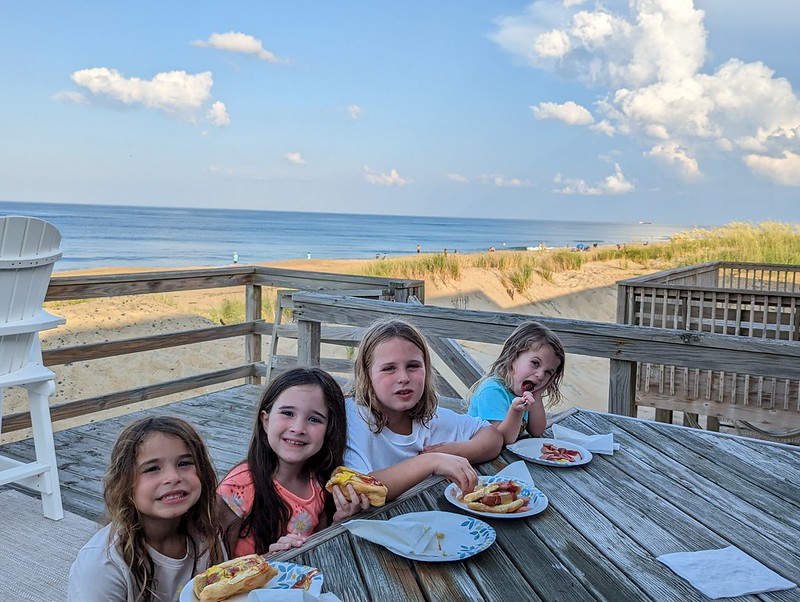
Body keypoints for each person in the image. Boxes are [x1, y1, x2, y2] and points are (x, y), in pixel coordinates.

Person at [68, 416, 224, 602]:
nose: (172, 477)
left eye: (184, 463)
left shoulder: (206, 534)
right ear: (124, 483)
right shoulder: (101, 565)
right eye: (152, 469)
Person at [216, 367, 368, 558]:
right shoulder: (237, 488)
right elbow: (215, 567)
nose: (298, 428)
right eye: (288, 413)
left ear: (329, 430)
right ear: (265, 420)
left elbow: (315, 546)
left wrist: (339, 520)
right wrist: (270, 560)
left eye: (314, 419)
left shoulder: (320, 483)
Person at [345, 318, 503, 500]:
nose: (403, 377)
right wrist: (430, 462)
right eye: (389, 368)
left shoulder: (427, 418)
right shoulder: (354, 414)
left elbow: (492, 437)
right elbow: (357, 487)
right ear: (367, 374)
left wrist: (453, 452)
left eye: (413, 366)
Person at [467, 321, 565, 444]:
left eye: (548, 372)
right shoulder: (492, 391)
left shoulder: (525, 392)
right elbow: (501, 440)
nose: (540, 375)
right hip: (476, 457)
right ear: (513, 357)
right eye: (535, 363)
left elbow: (537, 430)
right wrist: (516, 411)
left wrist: (538, 393)